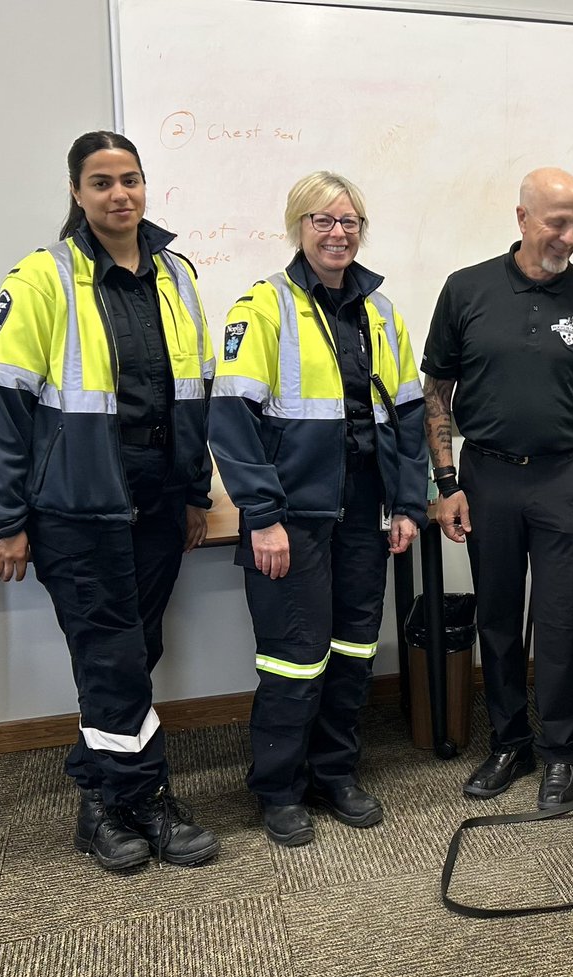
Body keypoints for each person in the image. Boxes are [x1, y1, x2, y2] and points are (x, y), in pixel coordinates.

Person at [0, 130, 219, 872]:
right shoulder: (43, 277)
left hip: (159, 492)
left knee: (134, 649)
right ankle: (144, 799)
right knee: (113, 654)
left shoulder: (177, 273)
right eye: (103, 182)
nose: (121, 194)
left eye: (131, 179)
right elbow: (2, 401)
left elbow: (196, 389)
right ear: (77, 193)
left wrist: (195, 491)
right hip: (77, 502)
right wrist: (6, 518)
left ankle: (97, 794)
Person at [209, 171, 427, 847]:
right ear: (298, 227)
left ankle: (335, 772)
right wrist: (263, 516)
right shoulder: (263, 306)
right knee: (294, 657)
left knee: (354, 648)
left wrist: (408, 504)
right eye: (323, 220)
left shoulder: (381, 311)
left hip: (364, 508)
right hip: (292, 516)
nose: (338, 233)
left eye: (349, 221)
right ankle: (279, 787)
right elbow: (231, 422)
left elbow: (409, 415)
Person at [422, 167, 573, 809]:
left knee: (563, 620)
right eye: (556, 223)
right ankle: (509, 742)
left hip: (565, 477)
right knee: (497, 616)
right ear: (521, 218)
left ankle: (562, 753)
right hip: (487, 476)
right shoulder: (466, 290)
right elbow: (437, 391)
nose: (569, 237)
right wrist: (447, 481)